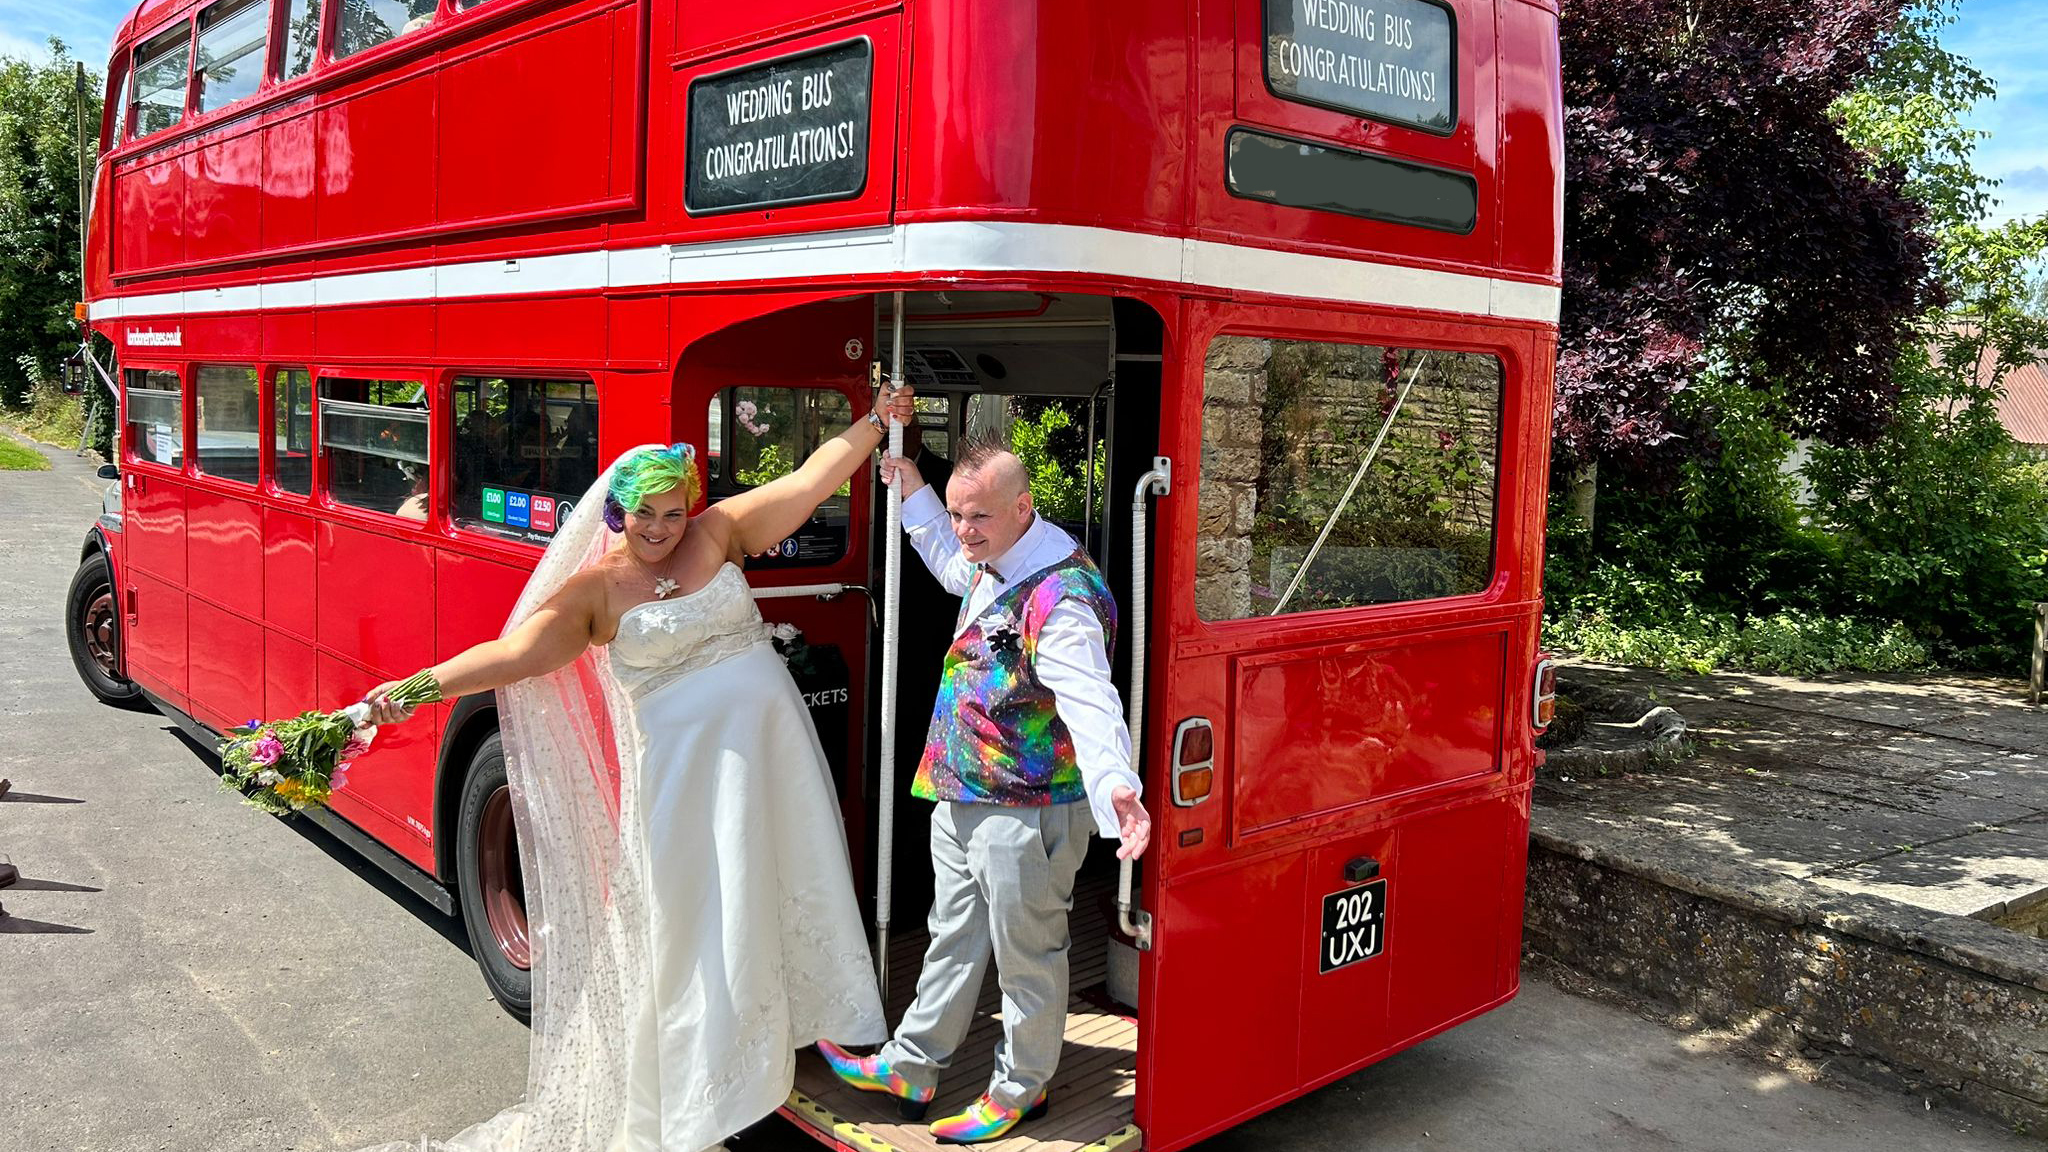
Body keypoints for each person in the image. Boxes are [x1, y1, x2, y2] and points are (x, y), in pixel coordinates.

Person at [352, 382, 916, 1152]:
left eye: (672, 511)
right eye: (644, 513)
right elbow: (511, 655)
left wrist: (876, 424)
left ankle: (783, 1036)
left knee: (784, 886)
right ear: (616, 511)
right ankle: (708, 1080)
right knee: (699, 924)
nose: (660, 528)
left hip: (771, 759)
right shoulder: (593, 593)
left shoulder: (716, 534)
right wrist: (413, 691)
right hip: (685, 782)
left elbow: (809, 480)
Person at [820, 440, 1152, 1145]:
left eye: (979, 517)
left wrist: (1117, 786)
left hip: (1026, 809)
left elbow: (1090, 700)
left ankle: (1019, 1090)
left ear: (1024, 508)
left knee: (1029, 955)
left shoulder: (1061, 596)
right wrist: (912, 489)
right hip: (964, 791)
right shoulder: (993, 555)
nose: (965, 530)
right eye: (959, 514)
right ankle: (913, 1065)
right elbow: (948, 560)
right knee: (953, 937)